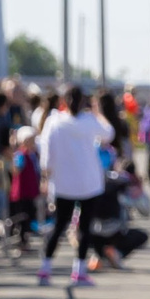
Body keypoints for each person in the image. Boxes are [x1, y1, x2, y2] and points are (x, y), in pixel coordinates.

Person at [37, 84, 111, 287]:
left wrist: (45, 176)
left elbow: (46, 152)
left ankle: (45, 268)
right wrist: (98, 112)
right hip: (88, 182)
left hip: (63, 182)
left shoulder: (54, 121)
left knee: (59, 225)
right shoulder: (89, 121)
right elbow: (109, 133)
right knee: (85, 227)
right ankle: (79, 271)